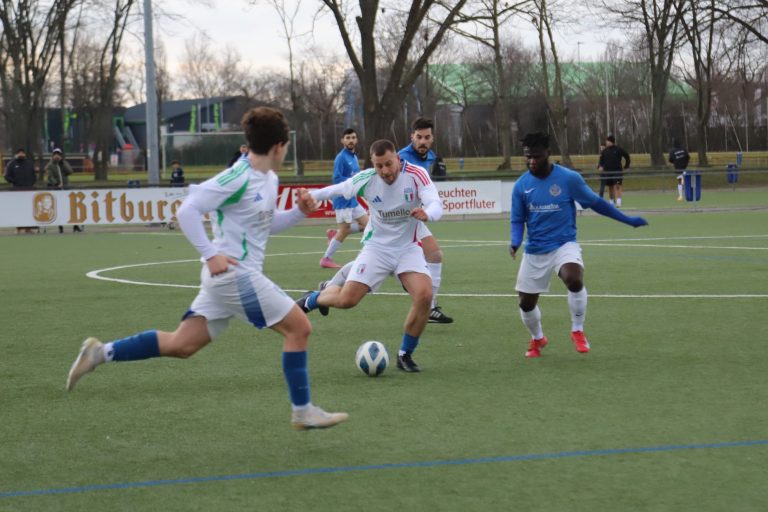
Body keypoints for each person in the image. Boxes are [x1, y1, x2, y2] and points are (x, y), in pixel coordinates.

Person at [65, 106, 348, 430]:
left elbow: (266, 224)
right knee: (299, 328)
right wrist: (211, 253)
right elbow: (187, 210)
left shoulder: (268, 179)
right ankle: (302, 411)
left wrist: (299, 212)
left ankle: (99, 353)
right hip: (234, 275)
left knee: (182, 345)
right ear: (278, 146)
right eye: (286, 146)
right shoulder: (237, 177)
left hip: (227, 279)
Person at [297, 139, 443, 373]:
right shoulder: (367, 179)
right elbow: (339, 189)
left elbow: (435, 202)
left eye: (388, 164)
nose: (384, 171)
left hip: (408, 248)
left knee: (425, 295)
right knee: (347, 300)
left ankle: (405, 354)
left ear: (397, 158)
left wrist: (429, 213)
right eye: (379, 166)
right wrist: (311, 195)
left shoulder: (416, 174)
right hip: (377, 248)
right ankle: (312, 299)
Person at [510, 132, 648, 358]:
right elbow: (517, 220)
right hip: (535, 249)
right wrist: (516, 241)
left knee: (574, 279)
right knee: (526, 303)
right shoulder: (521, 185)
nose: (532, 161)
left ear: (548, 154)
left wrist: (628, 220)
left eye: (536, 156)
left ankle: (577, 330)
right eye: (528, 157)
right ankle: (538, 338)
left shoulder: (568, 179)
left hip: (564, 244)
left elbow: (597, 203)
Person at [398, 117, 453, 324]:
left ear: (432, 138)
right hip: (396, 219)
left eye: (427, 137)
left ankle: (429, 307)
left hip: (413, 217)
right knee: (377, 265)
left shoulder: (431, 157)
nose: (423, 141)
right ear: (411, 137)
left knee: (434, 255)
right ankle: (329, 288)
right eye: (419, 137)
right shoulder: (401, 158)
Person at [320, 128, 369, 269]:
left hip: (352, 200)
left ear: (356, 140)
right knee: (345, 230)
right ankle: (326, 259)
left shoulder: (354, 157)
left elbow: (356, 177)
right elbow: (337, 179)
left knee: (369, 225)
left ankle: (335, 234)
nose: (351, 140)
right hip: (342, 200)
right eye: (348, 138)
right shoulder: (341, 158)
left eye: (353, 137)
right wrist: (353, 182)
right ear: (342, 140)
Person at [44, 148, 81, 233]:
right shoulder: (50, 165)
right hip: (56, 189)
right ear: (53, 155)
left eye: (58, 154)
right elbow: (50, 177)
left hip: (66, 188)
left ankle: (75, 225)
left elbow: (70, 171)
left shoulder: (63, 163)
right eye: (55, 154)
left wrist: (63, 163)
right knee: (59, 208)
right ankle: (60, 226)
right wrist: (56, 184)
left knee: (70, 207)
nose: (57, 156)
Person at [5, 148, 39, 234]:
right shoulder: (11, 164)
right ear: (16, 154)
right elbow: (7, 176)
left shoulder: (29, 163)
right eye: (19, 153)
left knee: (29, 209)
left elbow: (34, 175)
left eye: (22, 153)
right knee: (18, 210)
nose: (21, 154)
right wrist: (15, 182)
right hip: (17, 191)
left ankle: (29, 228)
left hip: (29, 190)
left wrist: (31, 183)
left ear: (25, 154)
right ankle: (19, 228)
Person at [598, 135, 630, 207]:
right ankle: (611, 202)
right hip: (608, 172)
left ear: (611, 142)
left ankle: (618, 202)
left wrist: (626, 166)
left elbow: (627, 156)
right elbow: (601, 160)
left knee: (617, 186)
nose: (606, 142)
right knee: (610, 187)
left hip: (617, 172)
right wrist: (600, 166)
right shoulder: (605, 151)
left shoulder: (618, 149)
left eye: (607, 141)